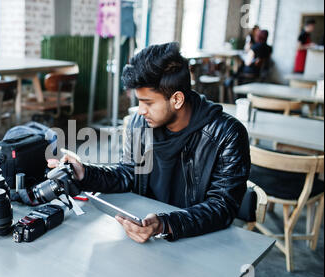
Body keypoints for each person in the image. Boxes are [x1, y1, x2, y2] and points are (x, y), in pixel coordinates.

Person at [48, 42, 251, 244]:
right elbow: (127, 174)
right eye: (139, 102)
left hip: (197, 241)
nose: (141, 110)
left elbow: (222, 206)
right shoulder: (140, 123)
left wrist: (165, 224)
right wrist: (84, 173)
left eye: (148, 102)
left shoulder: (227, 134)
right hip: (145, 235)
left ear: (177, 99)